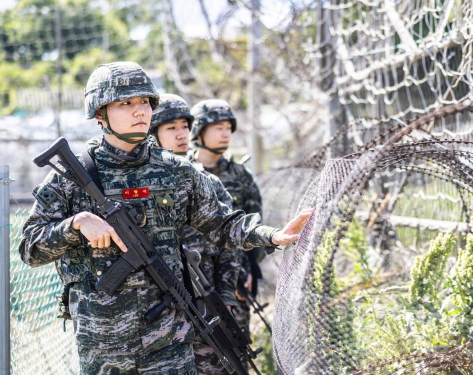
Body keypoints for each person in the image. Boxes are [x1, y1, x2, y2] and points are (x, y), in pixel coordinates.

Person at [19, 62, 310, 375]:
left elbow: (223, 224)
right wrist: (76, 225)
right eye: (125, 103)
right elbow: (29, 248)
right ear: (100, 114)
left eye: (144, 102)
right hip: (102, 346)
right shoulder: (70, 177)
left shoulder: (177, 171)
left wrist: (272, 235)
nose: (139, 111)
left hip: (169, 340)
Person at [150, 93, 239, 374]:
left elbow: (229, 244)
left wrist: (226, 296)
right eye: (171, 128)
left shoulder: (205, 181)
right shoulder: (137, 184)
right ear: (154, 134)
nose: (181, 135)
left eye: (185, 127)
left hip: (204, 298)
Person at [188, 99, 265, 349]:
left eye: (228, 128)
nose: (225, 134)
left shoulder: (240, 176)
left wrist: (250, 269)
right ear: (199, 131)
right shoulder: (184, 172)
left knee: (234, 346)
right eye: (217, 127)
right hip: (194, 277)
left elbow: (254, 225)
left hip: (235, 278)